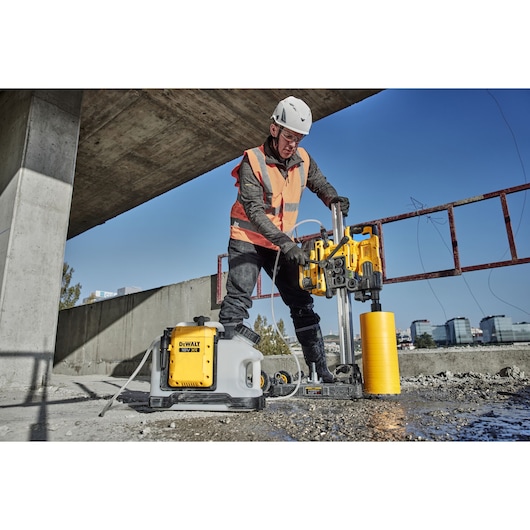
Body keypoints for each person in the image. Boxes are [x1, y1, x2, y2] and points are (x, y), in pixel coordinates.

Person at [218, 95, 349, 383]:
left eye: (298, 139)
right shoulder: (252, 160)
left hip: (280, 243)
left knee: (301, 301)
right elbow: (253, 210)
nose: (293, 144)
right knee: (238, 300)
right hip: (247, 239)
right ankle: (228, 375)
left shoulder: (302, 159)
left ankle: (319, 371)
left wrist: (333, 198)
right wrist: (286, 243)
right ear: (274, 129)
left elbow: (319, 182)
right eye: (289, 136)